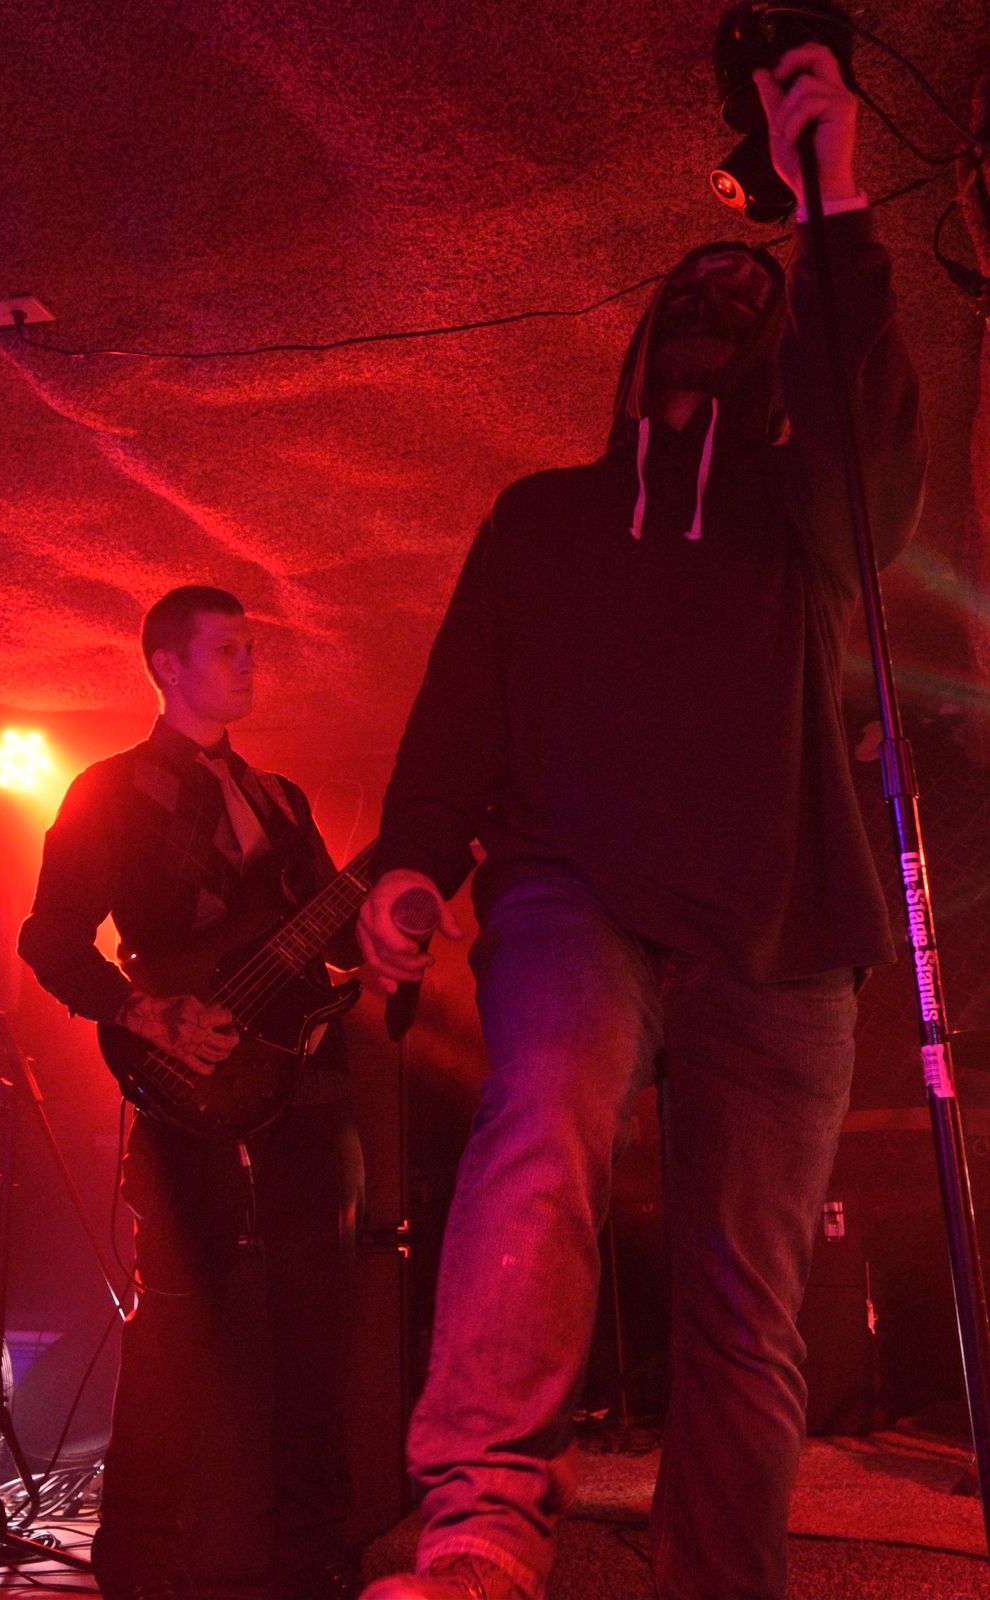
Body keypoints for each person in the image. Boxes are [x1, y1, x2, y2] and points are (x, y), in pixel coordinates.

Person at [355, 46, 926, 1600]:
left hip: (784, 919)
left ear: (774, 353)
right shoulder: (541, 518)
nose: (719, 295)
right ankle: (481, 1529)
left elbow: (873, 464)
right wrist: (411, 859)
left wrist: (833, 206)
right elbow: (458, 709)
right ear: (638, 337)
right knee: (541, 1113)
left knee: (748, 1296)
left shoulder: (801, 522)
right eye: (695, 283)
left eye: (750, 293)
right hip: (576, 886)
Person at [19, 586, 363, 1600]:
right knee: (175, 1325)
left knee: (316, 1324)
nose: (251, 663)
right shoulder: (110, 792)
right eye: (228, 649)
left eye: (253, 647)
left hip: (300, 1080)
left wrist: (396, 921)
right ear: (167, 666)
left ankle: (314, 1562)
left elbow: (334, 927)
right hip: (181, 1087)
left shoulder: (282, 799)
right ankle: (136, 1565)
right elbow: (49, 938)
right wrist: (145, 1012)